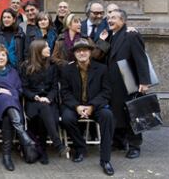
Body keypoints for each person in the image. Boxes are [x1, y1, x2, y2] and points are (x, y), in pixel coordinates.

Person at [60, 38, 114, 176]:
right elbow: (65, 93)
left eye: (85, 50)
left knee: (108, 116)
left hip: (95, 106)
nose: (82, 53)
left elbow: (106, 92)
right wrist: (77, 107)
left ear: (90, 52)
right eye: (78, 51)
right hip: (75, 106)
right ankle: (80, 147)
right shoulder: (67, 70)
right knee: (66, 118)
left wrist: (92, 106)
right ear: (74, 54)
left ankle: (105, 160)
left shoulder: (102, 69)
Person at [0, 45, 39, 171]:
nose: (1, 57)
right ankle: (22, 135)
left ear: (7, 58)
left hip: (11, 111)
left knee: (8, 114)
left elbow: (19, 91)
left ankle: (6, 156)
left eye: (3, 55)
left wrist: (10, 93)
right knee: (6, 99)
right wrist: (1, 90)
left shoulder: (13, 73)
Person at [106, 9, 150, 159]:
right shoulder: (110, 35)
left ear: (123, 21)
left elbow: (141, 58)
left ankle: (135, 146)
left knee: (132, 113)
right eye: (109, 18)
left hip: (129, 81)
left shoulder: (131, 35)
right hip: (115, 83)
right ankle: (119, 142)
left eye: (113, 18)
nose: (109, 20)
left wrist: (144, 81)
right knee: (118, 112)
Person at [20, 40, 69, 165]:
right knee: (43, 109)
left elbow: (54, 87)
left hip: (49, 101)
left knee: (45, 111)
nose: (49, 48)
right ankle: (57, 144)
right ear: (38, 50)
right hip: (32, 103)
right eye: (46, 47)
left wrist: (49, 98)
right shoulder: (26, 66)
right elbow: (24, 88)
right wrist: (35, 97)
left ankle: (43, 151)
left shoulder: (52, 66)